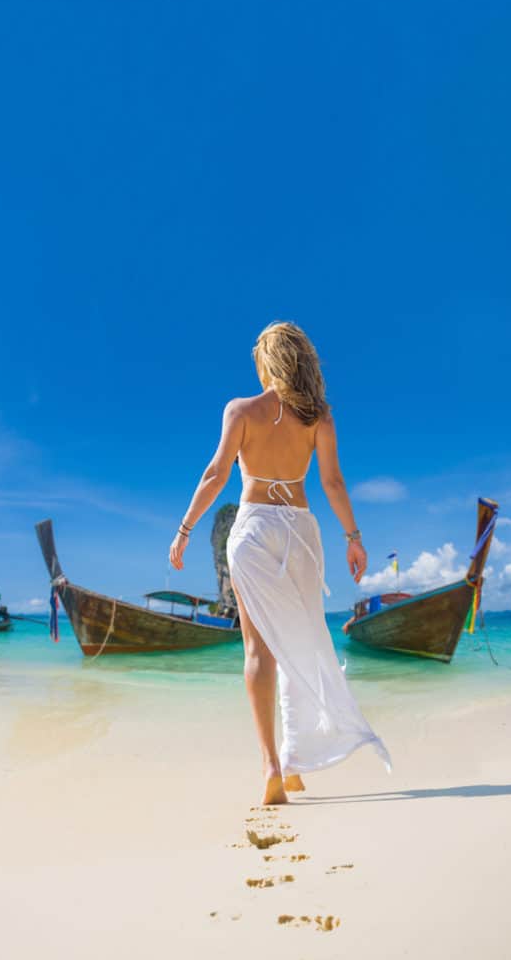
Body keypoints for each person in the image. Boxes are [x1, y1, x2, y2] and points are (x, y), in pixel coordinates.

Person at [169, 320, 391, 804]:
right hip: (301, 533)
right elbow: (332, 483)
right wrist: (354, 538)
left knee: (258, 652)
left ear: (266, 362)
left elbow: (215, 473)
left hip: (251, 533)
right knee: (303, 643)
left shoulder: (241, 410)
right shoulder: (320, 419)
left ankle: (272, 766)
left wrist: (185, 528)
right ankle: (293, 762)